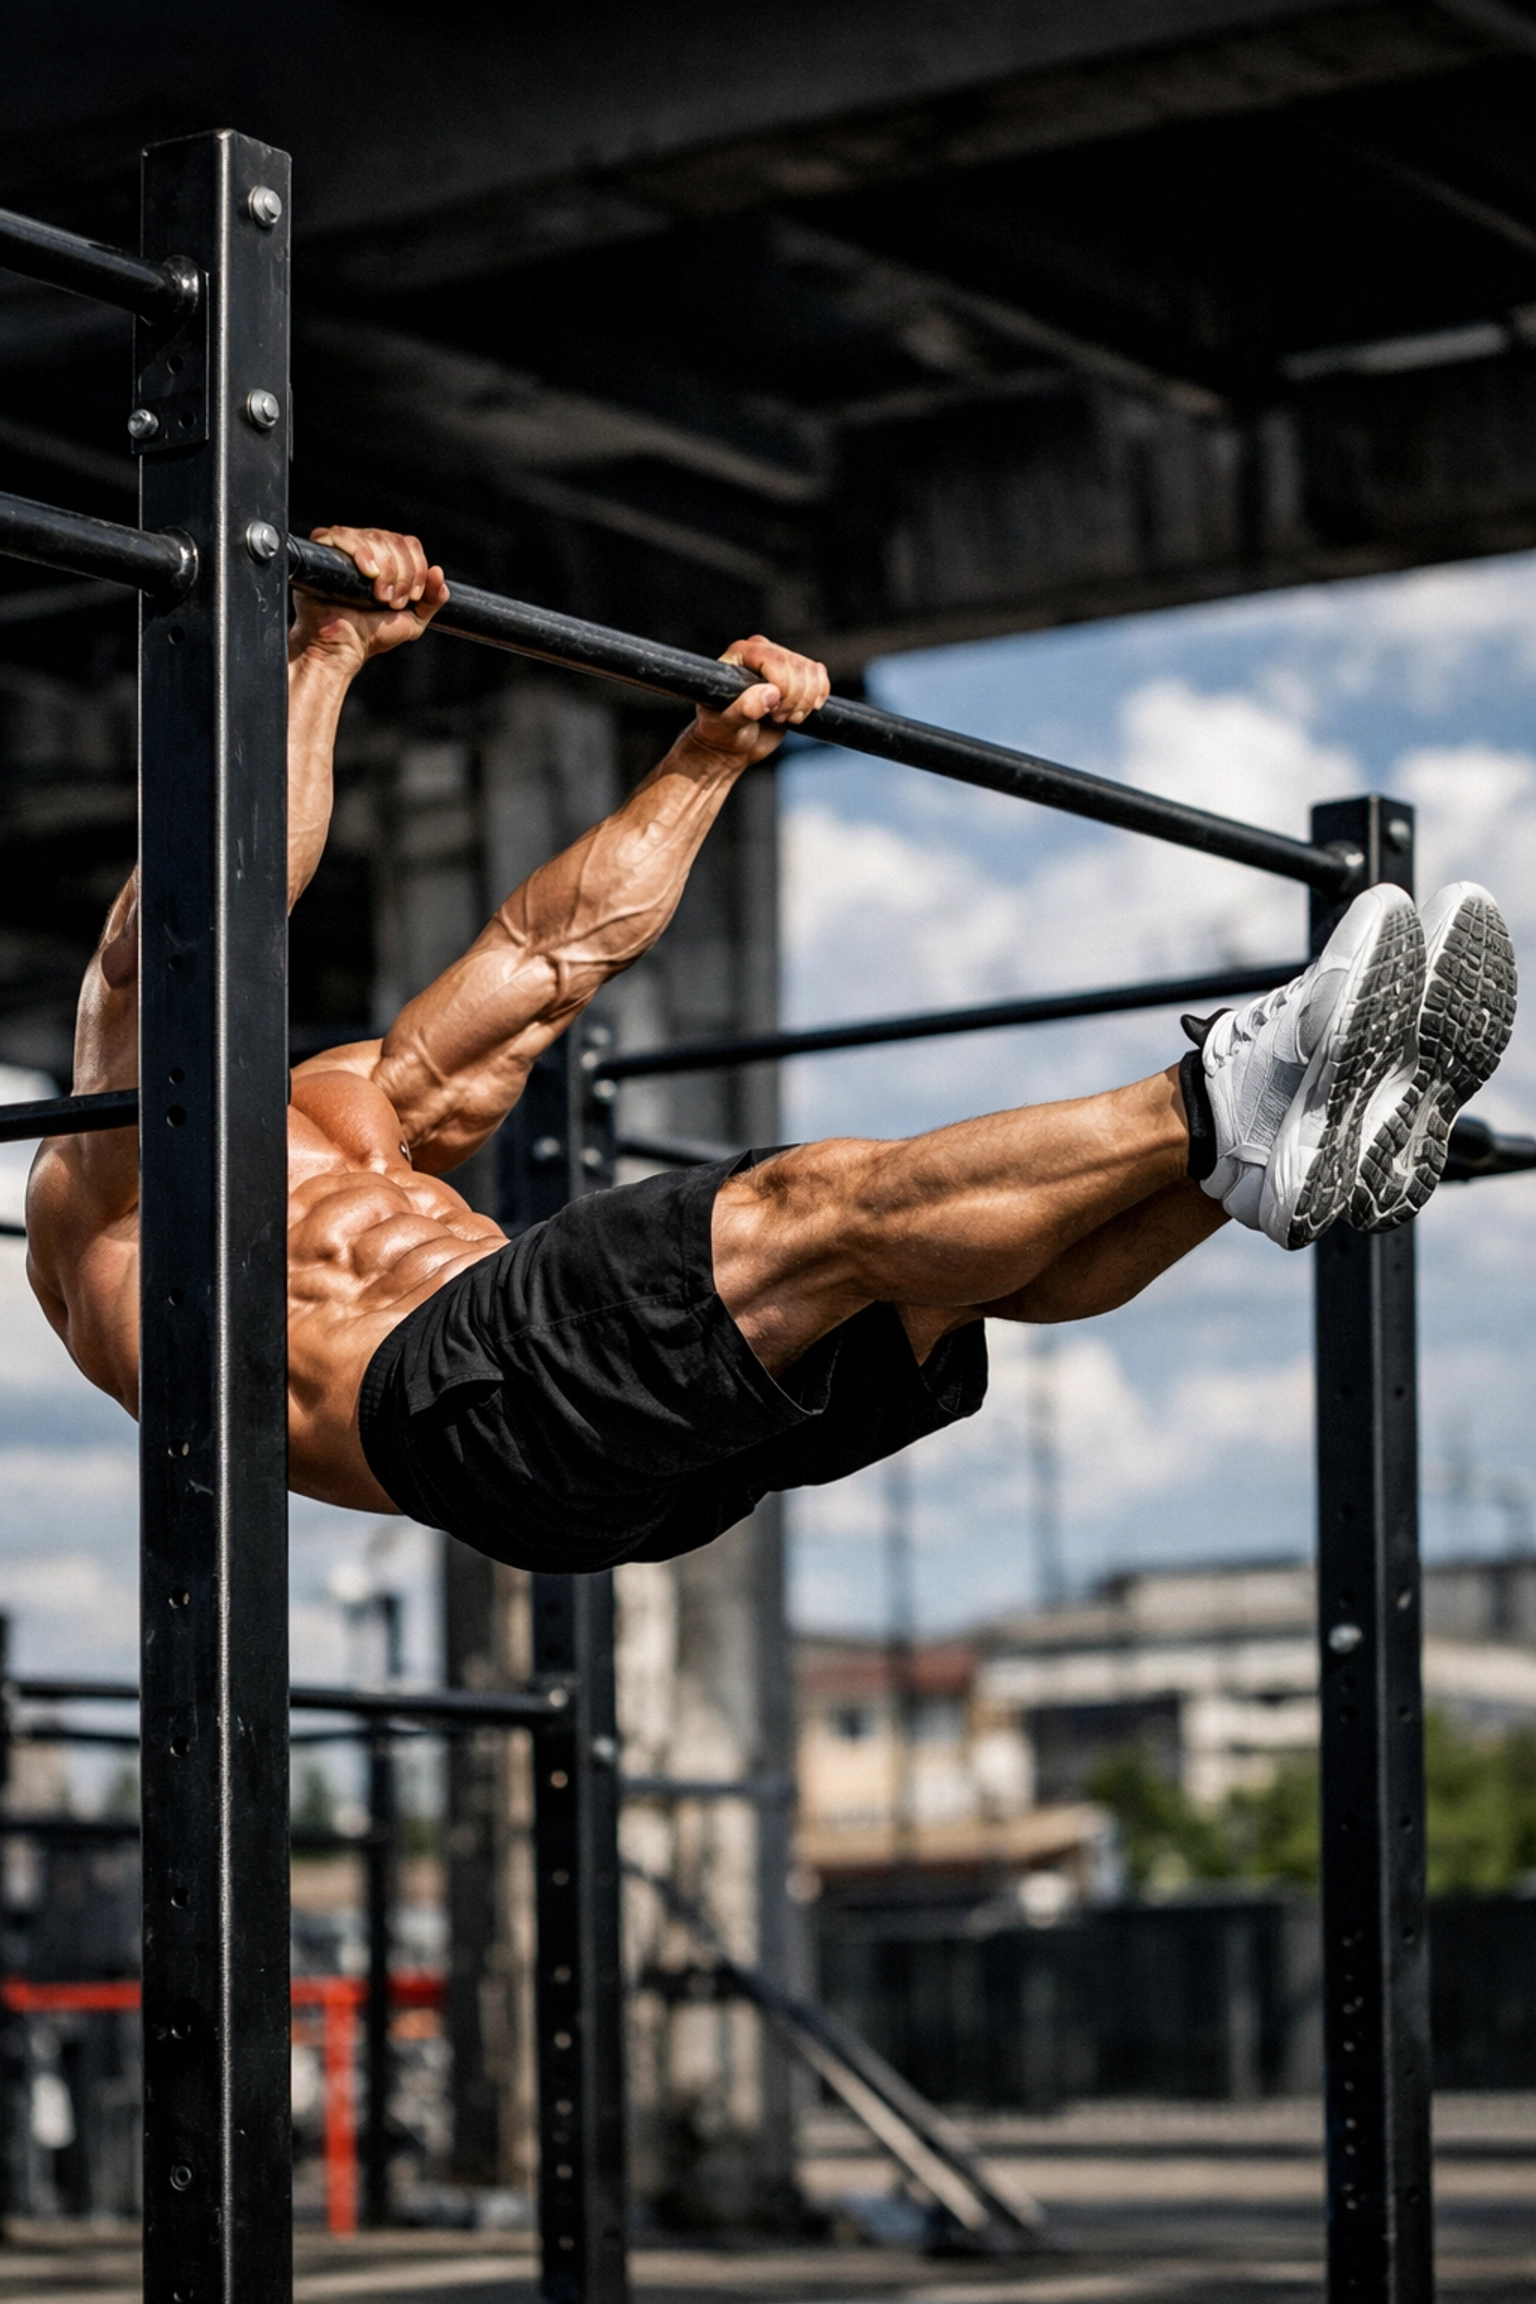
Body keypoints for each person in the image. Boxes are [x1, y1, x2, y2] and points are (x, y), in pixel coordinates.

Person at [25, 527, 1517, 1576]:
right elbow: (187, 921)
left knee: (940, 1280)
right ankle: (1227, 1093)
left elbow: (551, 963)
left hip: (587, 1448)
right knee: (821, 1204)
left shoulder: (354, 1113)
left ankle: (1250, 1165)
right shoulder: (107, 1193)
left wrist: (707, 759)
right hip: (451, 1407)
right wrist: (324, 645)